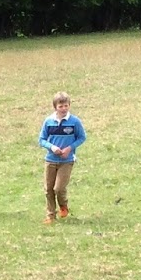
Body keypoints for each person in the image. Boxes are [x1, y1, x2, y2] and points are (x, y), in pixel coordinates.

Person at [37, 92, 86, 224]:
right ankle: (50, 215)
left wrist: (69, 148)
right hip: (51, 160)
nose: (64, 108)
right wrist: (52, 147)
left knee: (58, 188)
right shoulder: (48, 121)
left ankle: (63, 205)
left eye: (66, 106)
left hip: (67, 161)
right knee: (48, 189)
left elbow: (82, 137)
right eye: (61, 106)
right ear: (55, 107)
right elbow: (41, 140)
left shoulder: (74, 122)